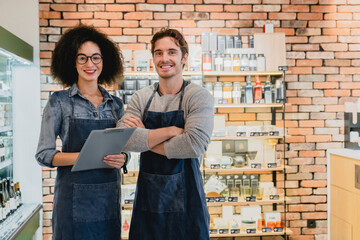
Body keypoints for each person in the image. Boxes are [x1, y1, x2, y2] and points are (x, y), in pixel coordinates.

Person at [117, 28, 214, 240]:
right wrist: (170, 131)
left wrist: (145, 137)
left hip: (189, 205)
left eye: (171, 52)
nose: (165, 58)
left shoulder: (197, 96)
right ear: (153, 58)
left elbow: (194, 144)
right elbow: (122, 137)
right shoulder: (141, 97)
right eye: (159, 53)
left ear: (184, 58)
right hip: (148, 204)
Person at [35, 25, 127, 240]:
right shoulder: (59, 102)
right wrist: (86, 158)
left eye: (96, 58)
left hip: (108, 200)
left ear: (104, 61)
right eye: (82, 58)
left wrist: (123, 158)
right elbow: (44, 154)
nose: (90, 64)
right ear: (72, 61)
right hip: (72, 202)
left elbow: (123, 151)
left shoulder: (116, 105)